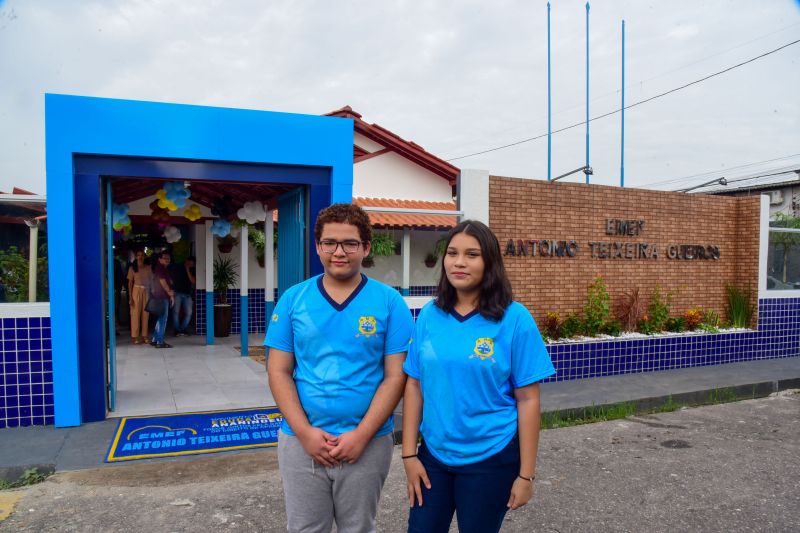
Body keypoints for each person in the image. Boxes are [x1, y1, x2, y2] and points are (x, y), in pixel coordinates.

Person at [265, 203, 413, 533]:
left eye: (349, 243)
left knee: (359, 528)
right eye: (330, 243)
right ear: (318, 246)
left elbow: (396, 376)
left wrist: (361, 435)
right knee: (305, 528)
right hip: (301, 442)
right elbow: (278, 371)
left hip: (368, 443)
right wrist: (305, 433)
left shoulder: (390, 303)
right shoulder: (293, 300)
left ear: (366, 247)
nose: (339, 252)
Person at [402, 220, 556, 533]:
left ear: (490, 262)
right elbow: (415, 384)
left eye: (472, 254)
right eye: (453, 253)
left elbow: (528, 400)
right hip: (433, 455)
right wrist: (408, 455)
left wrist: (526, 476)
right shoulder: (430, 314)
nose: (459, 262)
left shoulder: (515, 319)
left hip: (491, 458)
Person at [127, 249, 153, 344]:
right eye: (138, 255)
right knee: (135, 314)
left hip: (146, 291)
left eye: (142, 255)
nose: (140, 257)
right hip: (136, 290)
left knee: (146, 314)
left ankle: (144, 335)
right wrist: (130, 297)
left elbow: (151, 281)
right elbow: (130, 283)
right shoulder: (132, 268)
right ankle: (135, 336)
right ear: (136, 256)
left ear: (144, 256)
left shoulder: (148, 268)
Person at [151, 250, 175, 349]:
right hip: (162, 297)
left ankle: (155, 340)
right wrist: (170, 293)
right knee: (163, 319)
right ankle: (160, 342)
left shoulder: (162, 268)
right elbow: (163, 282)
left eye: (168, 258)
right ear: (159, 259)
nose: (167, 260)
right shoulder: (160, 268)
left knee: (160, 318)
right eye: (164, 258)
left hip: (160, 296)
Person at [170, 255, 196, 336]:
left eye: (192, 264)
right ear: (186, 261)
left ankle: (182, 329)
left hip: (187, 294)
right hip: (177, 292)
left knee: (189, 313)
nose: (191, 265)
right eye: (189, 264)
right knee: (175, 312)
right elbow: (171, 277)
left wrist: (188, 270)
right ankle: (177, 330)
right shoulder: (178, 266)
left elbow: (193, 281)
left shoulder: (192, 269)